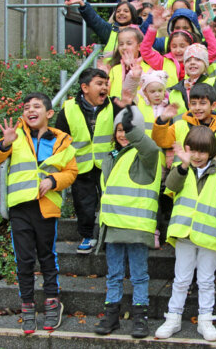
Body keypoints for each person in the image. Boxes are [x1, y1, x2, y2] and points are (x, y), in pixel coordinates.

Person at [0, 93, 78, 333]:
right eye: (27, 107)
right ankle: (27, 307)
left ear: (49, 114)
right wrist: (5, 142)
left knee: (47, 257)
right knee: (24, 260)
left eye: (36, 106)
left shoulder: (62, 140)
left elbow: (71, 172)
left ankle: (52, 303)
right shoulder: (15, 135)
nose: (31, 110)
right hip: (20, 208)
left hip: (46, 207)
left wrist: (52, 180)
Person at [155, 126, 216, 341]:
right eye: (193, 151)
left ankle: (205, 320)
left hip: (209, 238)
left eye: (202, 152)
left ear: (211, 152)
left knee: (206, 280)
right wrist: (182, 164)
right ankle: (173, 318)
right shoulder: (183, 169)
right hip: (184, 235)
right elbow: (170, 186)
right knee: (181, 279)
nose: (197, 156)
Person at [94, 105, 163, 338]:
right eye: (120, 130)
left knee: (139, 275)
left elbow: (150, 147)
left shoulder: (146, 155)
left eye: (128, 130)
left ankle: (140, 318)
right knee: (113, 274)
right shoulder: (112, 156)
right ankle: (111, 315)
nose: (123, 134)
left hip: (136, 227)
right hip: (112, 226)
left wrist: (135, 130)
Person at [55, 68, 126, 254]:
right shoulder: (68, 108)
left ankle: (110, 234)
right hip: (81, 165)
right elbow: (61, 138)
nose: (105, 87)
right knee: (83, 202)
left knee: (110, 200)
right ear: (85, 87)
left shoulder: (114, 105)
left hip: (108, 164)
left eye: (106, 83)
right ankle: (87, 236)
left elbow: (123, 132)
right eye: (99, 84)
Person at [152, 83, 216, 199]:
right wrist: (162, 120)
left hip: (210, 189)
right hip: (182, 185)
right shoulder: (180, 126)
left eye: (203, 103)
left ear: (213, 106)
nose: (197, 107)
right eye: (193, 103)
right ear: (189, 105)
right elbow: (161, 141)